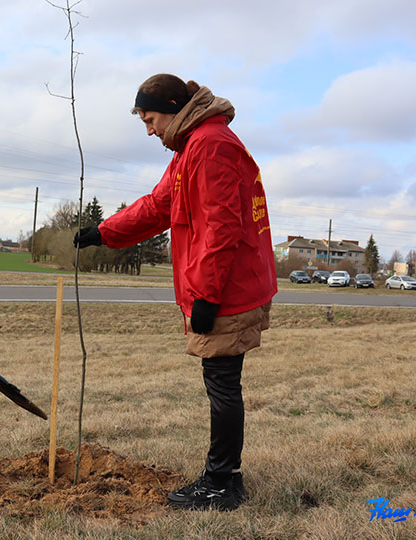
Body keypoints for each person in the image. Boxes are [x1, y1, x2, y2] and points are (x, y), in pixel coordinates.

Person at [74, 74, 277, 510]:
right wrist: (104, 233)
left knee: (223, 382)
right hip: (224, 284)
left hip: (228, 287)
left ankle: (223, 483)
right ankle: (223, 476)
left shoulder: (211, 145)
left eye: (149, 119)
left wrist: (206, 295)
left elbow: (222, 227)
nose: (148, 130)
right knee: (219, 380)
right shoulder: (191, 148)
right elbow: (159, 204)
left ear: (172, 108)